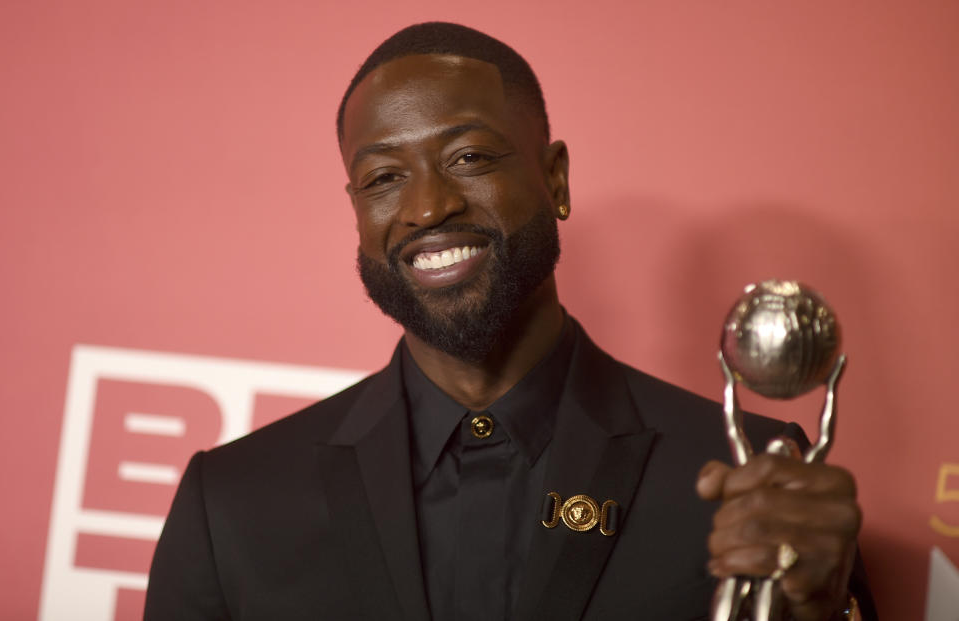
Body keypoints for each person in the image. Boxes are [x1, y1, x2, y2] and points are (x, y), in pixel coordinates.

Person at [145, 22, 875, 620]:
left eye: (467, 156)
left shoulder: (754, 479)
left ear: (554, 178)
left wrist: (821, 608)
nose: (428, 207)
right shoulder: (233, 502)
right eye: (384, 177)